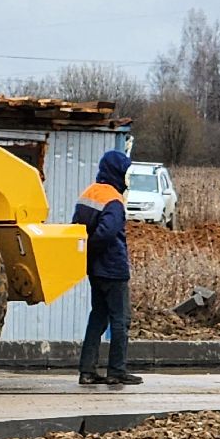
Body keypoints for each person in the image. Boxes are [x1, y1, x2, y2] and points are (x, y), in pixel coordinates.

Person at [74, 149, 140, 386]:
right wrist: (96, 248)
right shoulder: (114, 199)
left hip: (94, 269)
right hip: (113, 268)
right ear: (117, 172)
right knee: (121, 320)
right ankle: (117, 371)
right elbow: (108, 232)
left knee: (98, 318)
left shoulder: (88, 193)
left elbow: (77, 229)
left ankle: (87, 370)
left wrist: (88, 254)